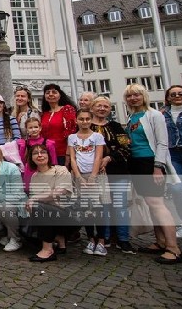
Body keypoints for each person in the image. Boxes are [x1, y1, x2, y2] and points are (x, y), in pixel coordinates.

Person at [123, 84, 182, 264]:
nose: (133, 98)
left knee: (157, 204)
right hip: (136, 162)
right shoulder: (132, 116)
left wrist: (158, 167)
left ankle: (174, 249)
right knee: (151, 204)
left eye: (136, 95)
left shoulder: (155, 115)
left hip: (150, 162)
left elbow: (162, 143)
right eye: (129, 96)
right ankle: (161, 241)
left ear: (144, 96)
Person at [90, 96, 135, 253]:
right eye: (99, 105)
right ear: (92, 107)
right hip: (96, 173)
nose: (102, 109)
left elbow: (126, 147)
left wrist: (109, 158)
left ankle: (123, 239)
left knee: (120, 204)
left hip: (117, 170)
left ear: (110, 109)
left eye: (106, 106)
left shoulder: (115, 126)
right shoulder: (86, 126)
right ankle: (106, 236)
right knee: (103, 205)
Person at [67, 109, 108, 257]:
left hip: (96, 176)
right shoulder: (72, 137)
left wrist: (93, 176)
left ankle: (101, 241)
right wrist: (78, 177)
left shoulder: (97, 136)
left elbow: (98, 157)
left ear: (91, 120)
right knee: (86, 208)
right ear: (76, 120)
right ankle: (91, 239)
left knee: (99, 208)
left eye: (87, 119)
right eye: (81, 119)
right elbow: (73, 158)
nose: (84, 122)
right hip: (80, 176)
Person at [25, 143, 74, 262]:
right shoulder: (34, 177)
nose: (40, 155)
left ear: (48, 155)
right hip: (47, 215)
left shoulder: (60, 170)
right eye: (35, 153)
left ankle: (48, 250)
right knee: (24, 230)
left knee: (38, 207)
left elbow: (60, 192)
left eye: (43, 152)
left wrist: (35, 199)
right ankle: (59, 239)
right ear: (31, 158)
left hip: (67, 214)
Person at [162, 85, 182, 238]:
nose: (177, 96)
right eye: (173, 94)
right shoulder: (162, 114)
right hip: (174, 155)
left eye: (181, 93)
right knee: (176, 189)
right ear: (168, 98)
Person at [40, 83, 77, 166]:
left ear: (60, 95)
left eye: (54, 92)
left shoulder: (67, 109)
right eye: (47, 92)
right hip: (47, 153)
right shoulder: (44, 114)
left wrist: (68, 154)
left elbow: (71, 132)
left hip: (63, 153)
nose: (50, 94)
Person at [16, 117, 57, 192]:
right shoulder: (24, 144)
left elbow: (53, 161)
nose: (33, 129)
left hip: (45, 172)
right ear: (27, 130)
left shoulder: (48, 143)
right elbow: (22, 161)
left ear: (40, 128)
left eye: (36, 127)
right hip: (30, 172)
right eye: (30, 128)